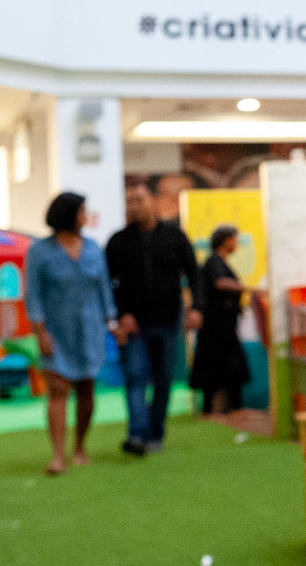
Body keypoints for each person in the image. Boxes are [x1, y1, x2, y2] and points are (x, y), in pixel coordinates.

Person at [24, 192, 121, 476]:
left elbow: (104, 290)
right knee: (58, 390)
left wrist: (112, 324)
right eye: (81, 212)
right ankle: (57, 456)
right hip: (56, 331)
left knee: (86, 390)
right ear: (68, 215)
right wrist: (40, 331)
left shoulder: (93, 249)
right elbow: (34, 296)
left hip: (90, 330)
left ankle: (79, 447)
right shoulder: (39, 252)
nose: (85, 217)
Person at [105, 181, 200, 455]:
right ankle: (137, 434)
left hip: (168, 321)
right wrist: (121, 315)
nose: (135, 206)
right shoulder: (118, 242)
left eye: (139, 200)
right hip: (134, 325)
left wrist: (196, 308)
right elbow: (108, 283)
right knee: (135, 377)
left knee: (163, 379)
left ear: (153, 203)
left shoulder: (174, 237)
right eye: (130, 202)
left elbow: (194, 274)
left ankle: (155, 432)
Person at [189, 225, 258, 414]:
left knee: (226, 367)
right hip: (216, 327)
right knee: (217, 366)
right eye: (234, 239)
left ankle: (231, 407)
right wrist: (245, 288)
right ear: (226, 240)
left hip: (224, 325)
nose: (237, 244)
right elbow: (219, 282)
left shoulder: (220, 261)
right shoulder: (214, 262)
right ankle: (215, 409)